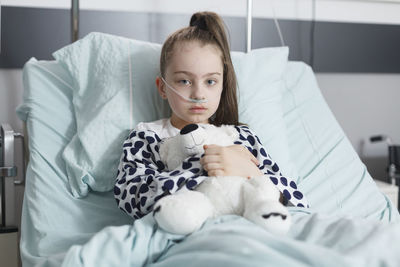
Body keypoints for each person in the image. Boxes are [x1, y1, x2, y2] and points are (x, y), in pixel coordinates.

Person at [114, 11, 308, 220]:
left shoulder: (241, 137)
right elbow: (132, 199)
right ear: (162, 88)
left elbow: (297, 201)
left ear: (222, 86)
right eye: (184, 81)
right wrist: (201, 163)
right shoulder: (146, 136)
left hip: (247, 230)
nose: (198, 94)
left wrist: (250, 171)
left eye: (210, 82)